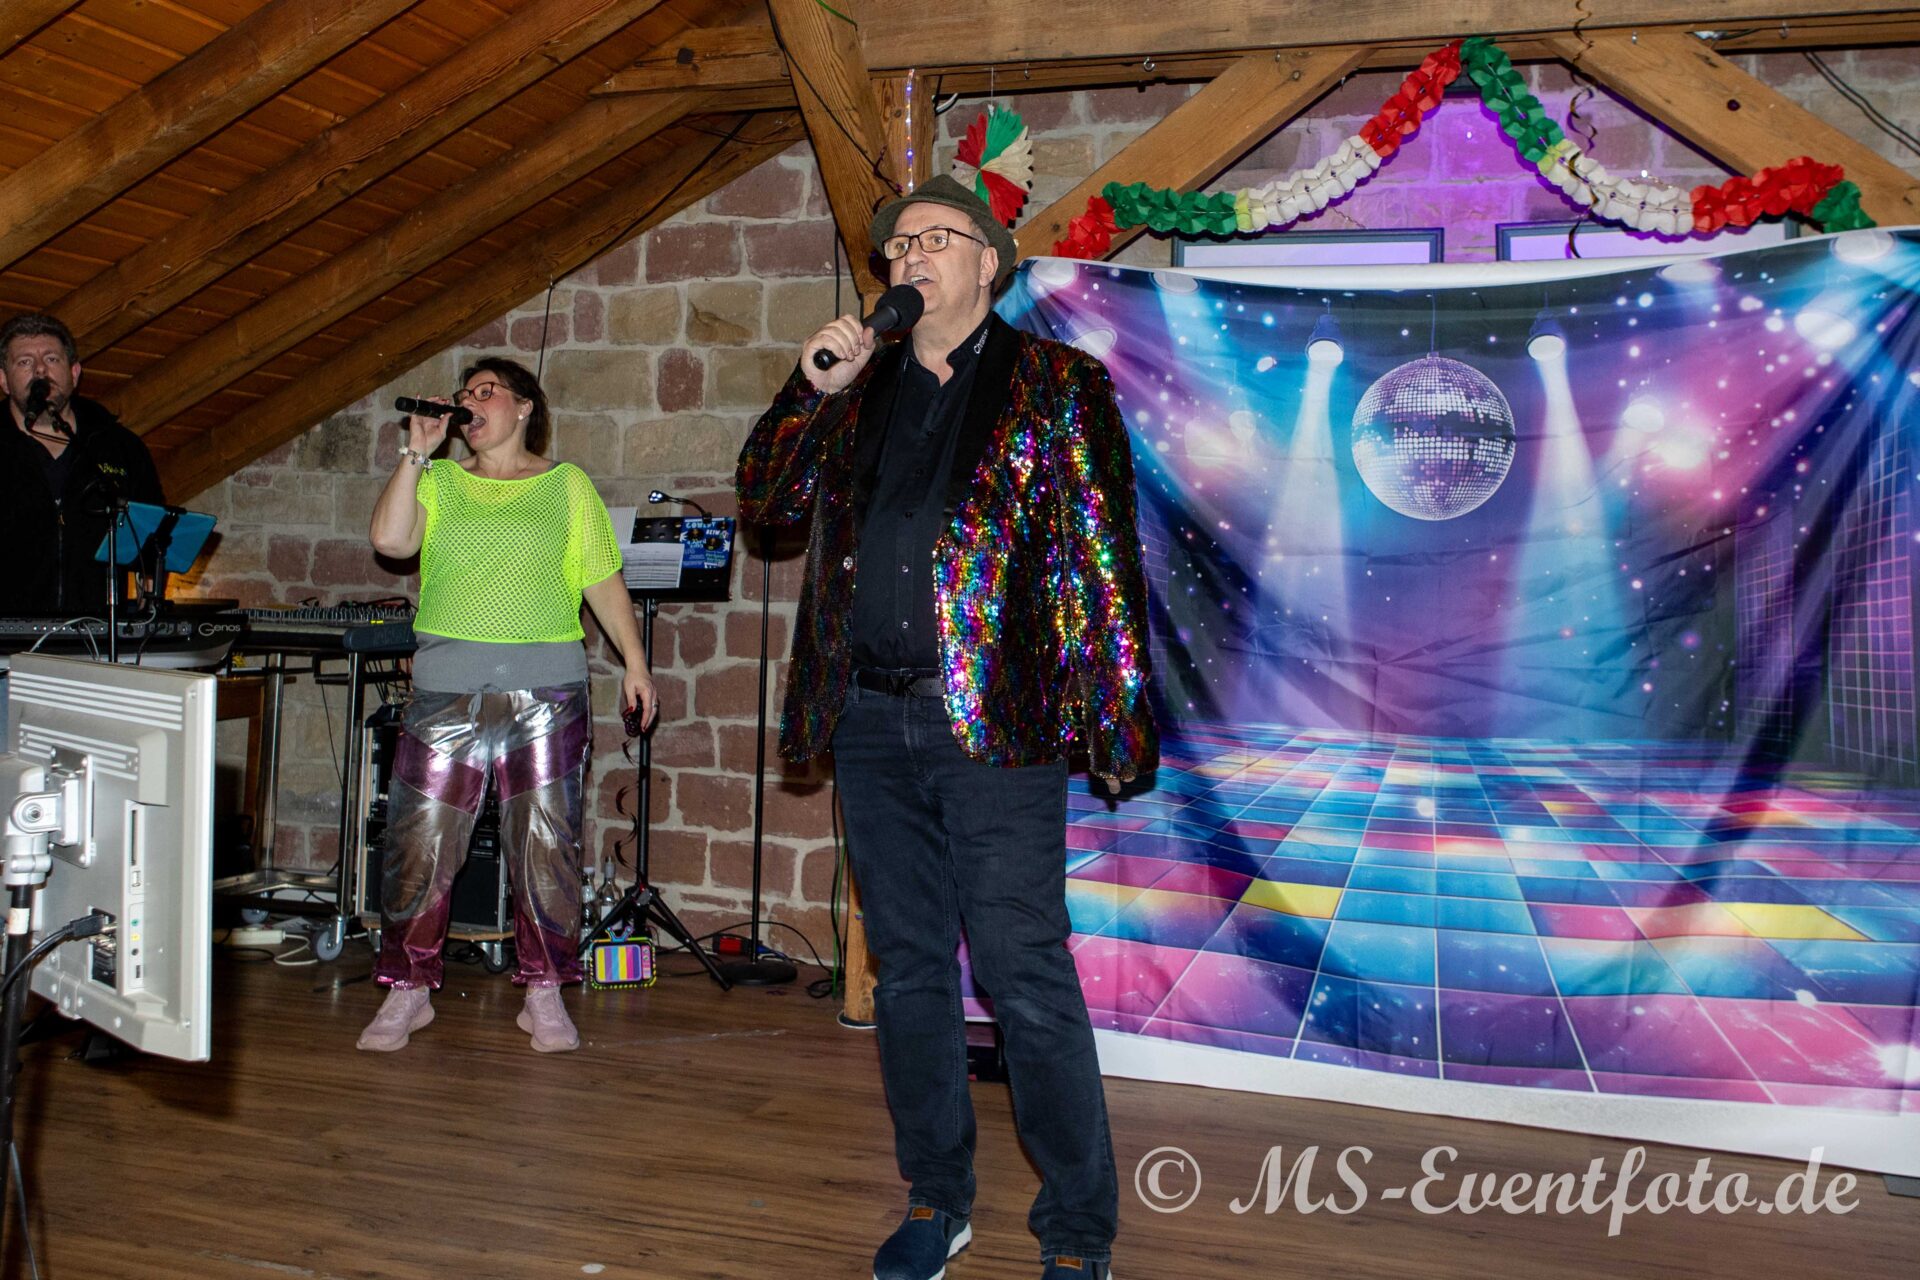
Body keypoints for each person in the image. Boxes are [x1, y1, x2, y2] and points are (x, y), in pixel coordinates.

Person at [736, 175, 1156, 1280]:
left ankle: (1078, 1229)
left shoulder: (1057, 383)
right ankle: (936, 1196)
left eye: (935, 238)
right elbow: (767, 502)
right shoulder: (854, 389)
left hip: (995, 725)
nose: (909, 255)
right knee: (911, 973)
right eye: (896, 245)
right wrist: (809, 387)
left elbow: (1100, 558)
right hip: (870, 719)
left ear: (988, 263)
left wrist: (1116, 720)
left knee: (1023, 973)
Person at [359, 356, 656, 1054]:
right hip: (446, 687)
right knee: (419, 841)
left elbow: (602, 580)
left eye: (485, 392)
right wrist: (416, 451)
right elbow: (390, 541)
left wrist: (636, 664)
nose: (470, 402)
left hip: (546, 688)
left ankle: (544, 991)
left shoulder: (566, 485)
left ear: (524, 406)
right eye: (464, 394)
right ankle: (408, 990)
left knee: (546, 844)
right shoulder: (438, 480)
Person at [0, 312, 163, 616]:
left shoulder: (119, 446)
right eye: (24, 362)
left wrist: (149, 585)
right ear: (3, 380)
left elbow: (153, 529)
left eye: (51, 359)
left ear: (74, 373)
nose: (39, 370)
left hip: (97, 631)